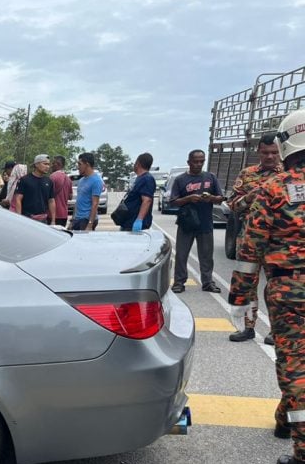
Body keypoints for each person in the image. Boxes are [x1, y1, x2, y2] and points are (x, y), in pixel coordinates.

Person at [228, 109, 305, 464]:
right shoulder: (266, 184)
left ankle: (304, 452)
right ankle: (284, 418)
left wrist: (239, 298)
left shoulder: (275, 189)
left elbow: (250, 249)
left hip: (290, 289)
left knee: (295, 363)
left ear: (285, 142)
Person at [226, 133, 283, 343]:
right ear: (258, 152)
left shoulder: (288, 175)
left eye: (274, 153)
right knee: (247, 284)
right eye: (266, 152)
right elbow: (232, 204)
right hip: (249, 239)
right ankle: (248, 328)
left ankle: (275, 330)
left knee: (276, 286)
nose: (270, 157)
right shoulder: (247, 174)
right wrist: (248, 198)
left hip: (278, 242)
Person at [169, 150, 224, 293]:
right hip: (186, 223)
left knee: (206, 255)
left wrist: (210, 198)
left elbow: (220, 198)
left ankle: (207, 282)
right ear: (189, 162)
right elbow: (173, 201)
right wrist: (188, 199)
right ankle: (179, 282)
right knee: (181, 254)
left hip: (205, 223)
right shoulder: (180, 180)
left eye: (201, 161)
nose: (198, 164)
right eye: (195, 161)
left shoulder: (210, 177)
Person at [13, 154, 55, 223]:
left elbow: (51, 201)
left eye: (48, 164)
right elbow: (18, 199)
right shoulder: (24, 180)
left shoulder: (49, 181)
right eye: (45, 164)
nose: (47, 166)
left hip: (43, 220)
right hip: (27, 219)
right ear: (36, 164)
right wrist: (19, 219)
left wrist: (53, 220)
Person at [120, 152, 156, 232]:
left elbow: (147, 200)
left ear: (138, 164)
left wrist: (139, 220)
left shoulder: (147, 179)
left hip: (134, 224)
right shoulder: (140, 178)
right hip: (128, 222)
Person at [71, 152, 103, 230]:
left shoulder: (96, 181)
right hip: (77, 219)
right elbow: (78, 201)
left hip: (86, 220)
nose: (78, 167)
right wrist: (72, 220)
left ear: (87, 164)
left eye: (80, 164)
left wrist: (90, 224)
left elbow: (95, 204)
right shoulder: (81, 180)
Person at [49, 155, 72, 227]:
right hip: (64, 215)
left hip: (53, 215)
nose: (51, 165)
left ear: (58, 164)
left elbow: (48, 195)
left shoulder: (52, 177)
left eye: (53, 163)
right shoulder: (68, 179)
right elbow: (70, 197)